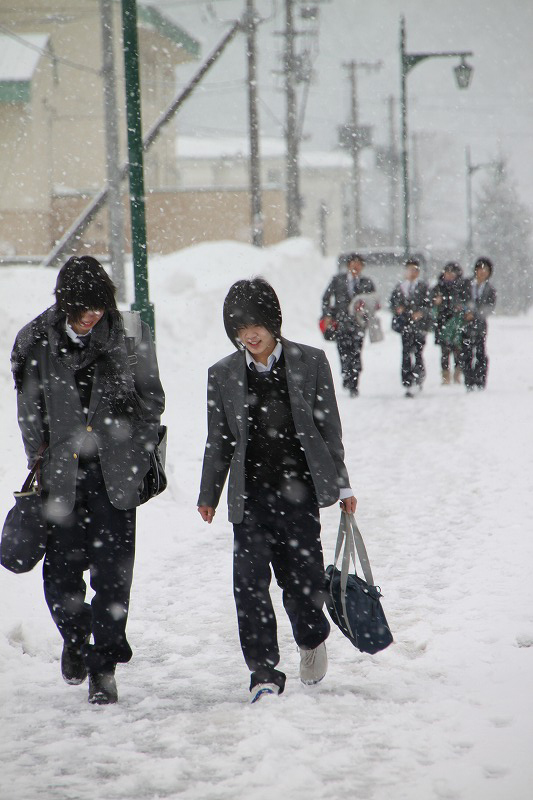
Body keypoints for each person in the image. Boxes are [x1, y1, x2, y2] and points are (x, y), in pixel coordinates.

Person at [11, 256, 165, 705]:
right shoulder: (35, 340)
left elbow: (152, 398)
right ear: (63, 305)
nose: (92, 317)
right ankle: (75, 640)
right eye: (83, 310)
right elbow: (29, 413)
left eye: (99, 308)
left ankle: (104, 666)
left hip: (116, 475)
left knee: (114, 578)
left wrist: (137, 447)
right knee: (60, 577)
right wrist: (39, 463)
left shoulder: (129, 333)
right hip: (62, 477)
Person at [197, 278, 356, 703]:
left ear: (273, 322)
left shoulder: (311, 362)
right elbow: (218, 440)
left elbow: (329, 430)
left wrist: (342, 485)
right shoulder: (223, 374)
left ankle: (310, 638)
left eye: (256, 324)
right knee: (248, 585)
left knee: (302, 582)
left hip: (300, 493)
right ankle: (263, 670)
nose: (249, 334)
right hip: (250, 499)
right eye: (239, 327)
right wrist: (208, 493)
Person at [321, 253, 377, 397]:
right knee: (343, 353)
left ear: (362, 267)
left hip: (359, 324)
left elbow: (374, 302)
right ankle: (346, 376)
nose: (355, 267)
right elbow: (326, 298)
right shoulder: (337, 280)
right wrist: (328, 314)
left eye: (359, 264)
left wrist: (366, 311)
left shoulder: (367, 282)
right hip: (340, 323)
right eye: (353, 263)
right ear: (348, 265)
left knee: (356, 353)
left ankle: (354, 383)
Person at [389, 258, 431, 398]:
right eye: (409, 270)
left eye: (415, 270)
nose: (412, 273)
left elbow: (429, 305)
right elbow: (392, 304)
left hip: (419, 326)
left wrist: (421, 313)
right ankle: (407, 381)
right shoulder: (400, 287)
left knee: (418, 352)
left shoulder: (423, 287)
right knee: (406, 353)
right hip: (405, 325)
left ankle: (418, 378)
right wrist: (397, 309)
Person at [461, 257, 497, 390]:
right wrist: (465, 311)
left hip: (480, 325)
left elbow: (489, 308)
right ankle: (469, 381)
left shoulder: (490, 289)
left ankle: (480, 380)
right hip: (465, 324)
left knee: (480, 352)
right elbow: (459, 301)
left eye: (485, 270)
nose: (482, 272)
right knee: (466, 353)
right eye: (480, 269)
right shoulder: (466, 284)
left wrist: (475, 314)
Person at [430, 262, 468, 385]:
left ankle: (457, 373)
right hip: (442, 322)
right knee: (444, 351)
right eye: (447, 273)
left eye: (452, 273)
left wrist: (460, 308)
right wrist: (436, 303)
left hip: (457, 322)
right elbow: (431, 303)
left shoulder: (462, 288)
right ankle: (445, 375)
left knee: (458, 349)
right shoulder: (438, 288)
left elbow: (466, 302)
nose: (450, 276)